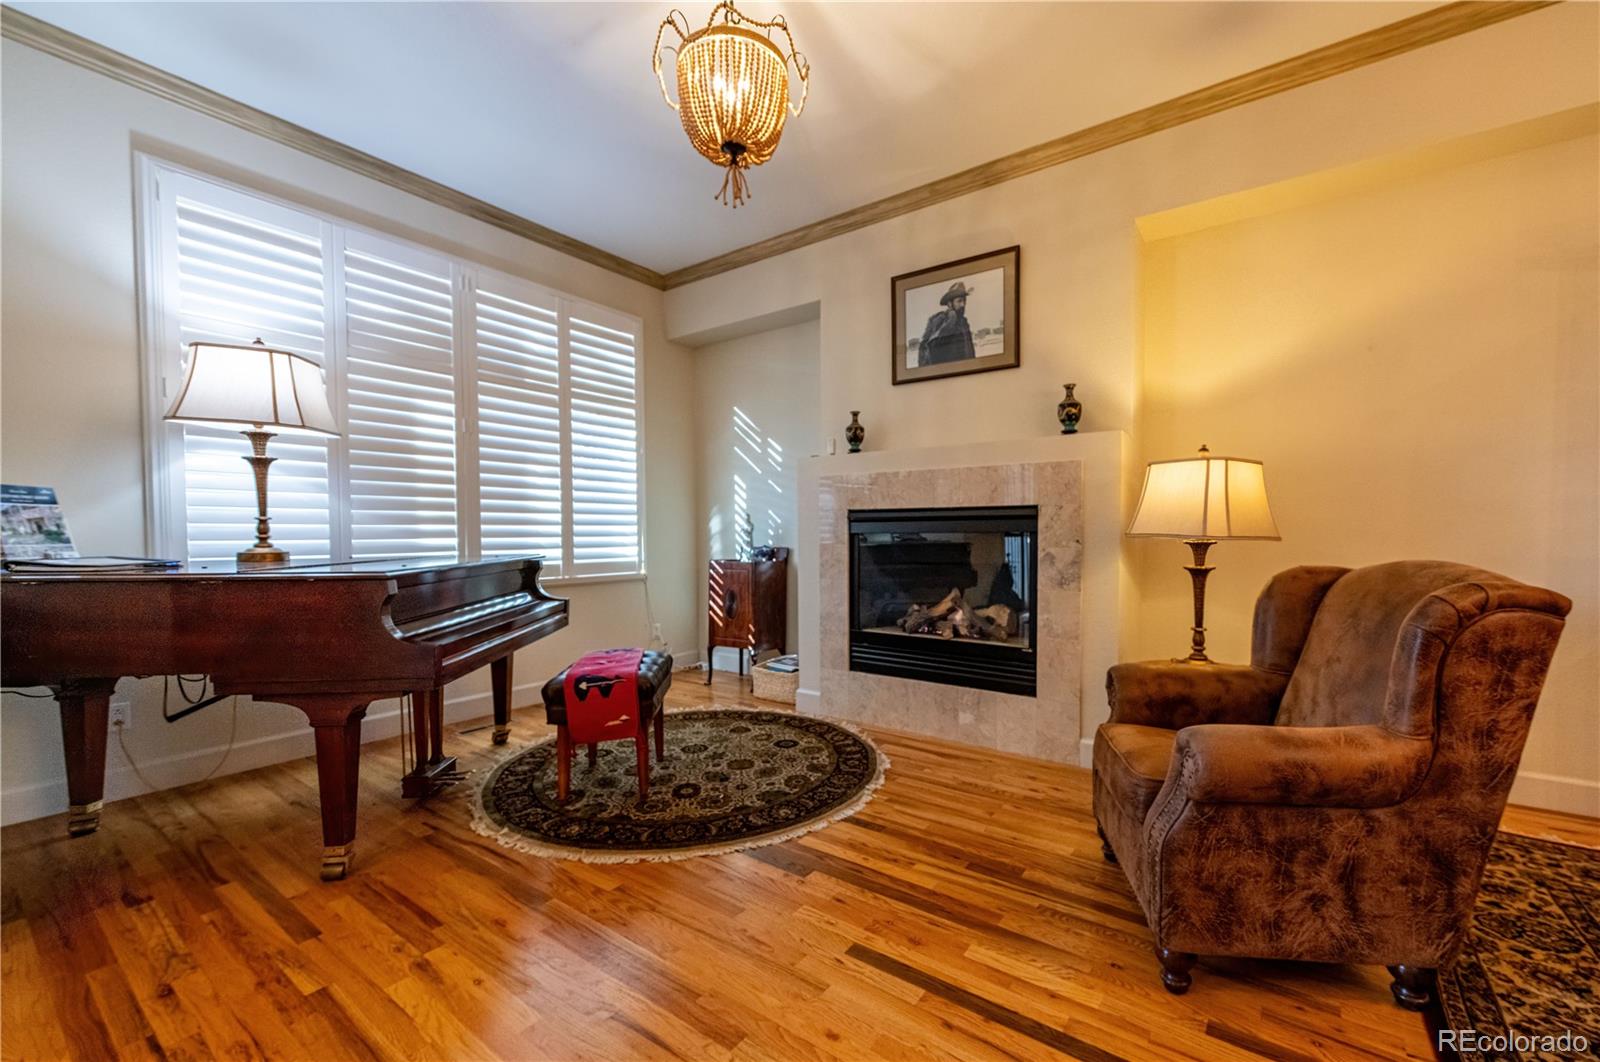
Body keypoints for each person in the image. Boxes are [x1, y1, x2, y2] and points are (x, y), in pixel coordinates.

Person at [917, 281, 977, 365]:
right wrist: (950, 322)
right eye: (959, 301)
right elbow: (928, 349)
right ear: (949, 304)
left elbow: (970, 352)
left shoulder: (964, 323)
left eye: (964, 301)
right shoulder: (938, 320)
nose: (963, 304)